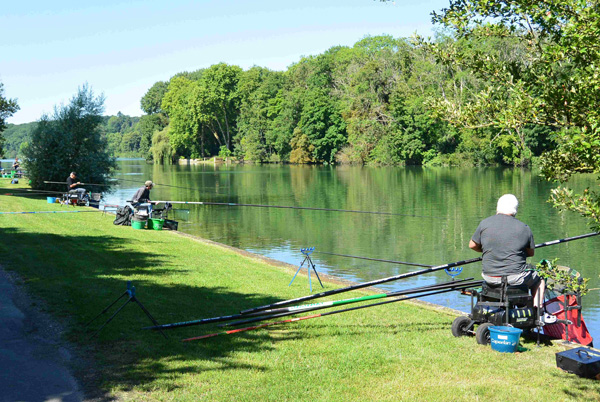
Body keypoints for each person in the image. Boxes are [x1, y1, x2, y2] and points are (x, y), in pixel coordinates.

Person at [469, 194, 546, 308]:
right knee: (539, 279)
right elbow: (531, 253)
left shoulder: (484, 223)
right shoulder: (524, 228)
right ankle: (537, 310)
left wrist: (488, 249)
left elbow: (472, 245)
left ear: (498, 207)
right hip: (515, 278)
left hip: (489, 276)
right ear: (515, 209)